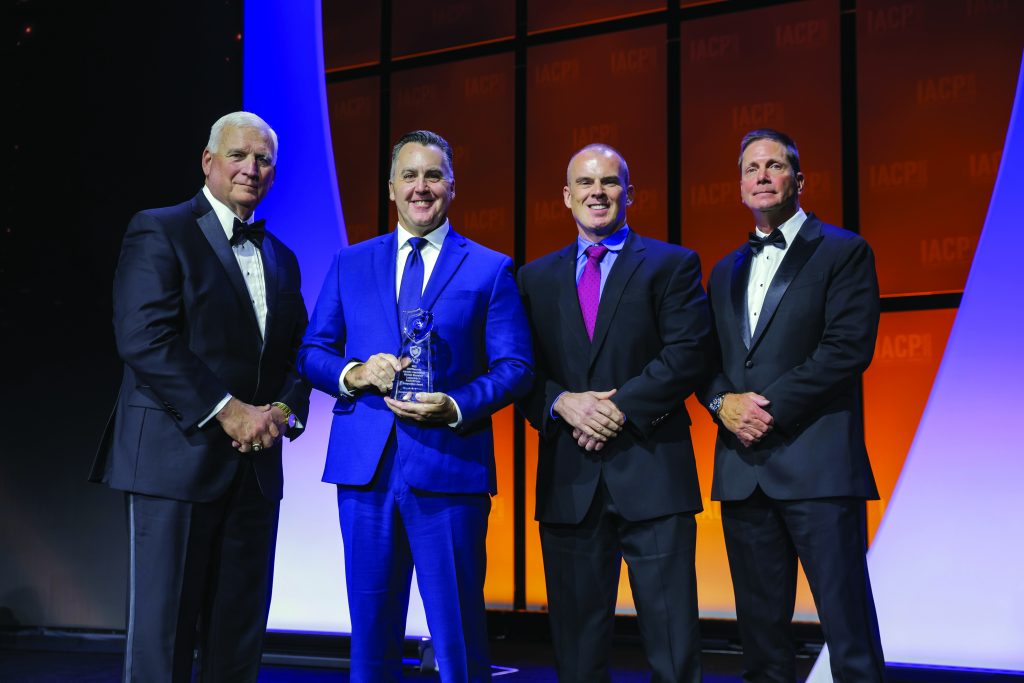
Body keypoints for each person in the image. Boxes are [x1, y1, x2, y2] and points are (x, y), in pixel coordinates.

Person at [297, 129, 533, 682]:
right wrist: (354, 373)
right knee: (371, 634)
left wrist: (453, 404)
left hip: (450, 467)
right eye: (410, 175)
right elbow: (312, 352)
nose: (420, 187)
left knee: (458, 637)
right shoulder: (350, 262)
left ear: (451, 186)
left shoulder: (489, 267)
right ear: (391, 188)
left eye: (433, 175)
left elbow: (516, 367)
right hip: (366, 472)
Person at [90, 111, 310, 682]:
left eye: (263, 159)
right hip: (173, 465)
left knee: (236, 642)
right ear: (208, 162)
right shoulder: (159, 228)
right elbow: (144, 336)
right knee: (163, 641)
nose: (251, 168)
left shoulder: (282, 257)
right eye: (238, 155)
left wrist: (283, 411)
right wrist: (230, 412)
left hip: (256, 471)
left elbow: (300, 353)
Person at [517, 144, 711, 682]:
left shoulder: (672, 264)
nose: (596, 193)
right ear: (566, 196)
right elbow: (519, 370)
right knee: (577, 653)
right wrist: (562, 403)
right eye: (584, 183)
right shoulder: (533, 279)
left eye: (608, 183)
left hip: (653, 476)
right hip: (570, 485)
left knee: (673, 646)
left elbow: (687, 354)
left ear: (629, 193)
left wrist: (616, 409)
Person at [702, 128, 885, 682]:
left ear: (798, 181)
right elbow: (704, 360)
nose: (761, 176)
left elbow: (846, 348)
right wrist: (720, 403)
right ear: (739, 187)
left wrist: (765, 408)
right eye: (751, 168)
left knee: (846, 629)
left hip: (819, 469)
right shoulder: (722, 270)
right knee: (761, 640)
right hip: (743, 473)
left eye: (774, 166)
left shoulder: (843, 251)